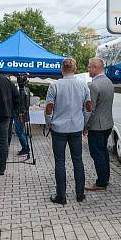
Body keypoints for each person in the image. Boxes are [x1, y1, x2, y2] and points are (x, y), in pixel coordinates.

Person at [45, 58, 92, 205]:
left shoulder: (55, 86)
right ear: (75, 68)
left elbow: (49, 108)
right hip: (76, 128)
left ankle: (61, 196)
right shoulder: (83, 86)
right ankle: (79, 194)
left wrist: (49, 124)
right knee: (78, 160)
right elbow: (88, 108)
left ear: (62, 69)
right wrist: (83, 123)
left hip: (59, 128)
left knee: (60, 162)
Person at [84, 57, 114, 191]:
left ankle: (101, 183)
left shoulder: (93, 85)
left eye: (89, 67)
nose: (88, 69)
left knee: (97, 154)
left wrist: (85, 127)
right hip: (107, 124)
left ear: (95, 68)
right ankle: (105, 178)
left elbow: (90, 109)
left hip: (97, 126)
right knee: (103, 152)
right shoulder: (109, 82)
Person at [12, 74, 30, 156]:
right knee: (20, 131)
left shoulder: (23, 91)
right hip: (21, 113)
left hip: (20, 113)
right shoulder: (25, 90)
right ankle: (25, 147)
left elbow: (22, 104)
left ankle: (25, 147)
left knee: (20, 131)